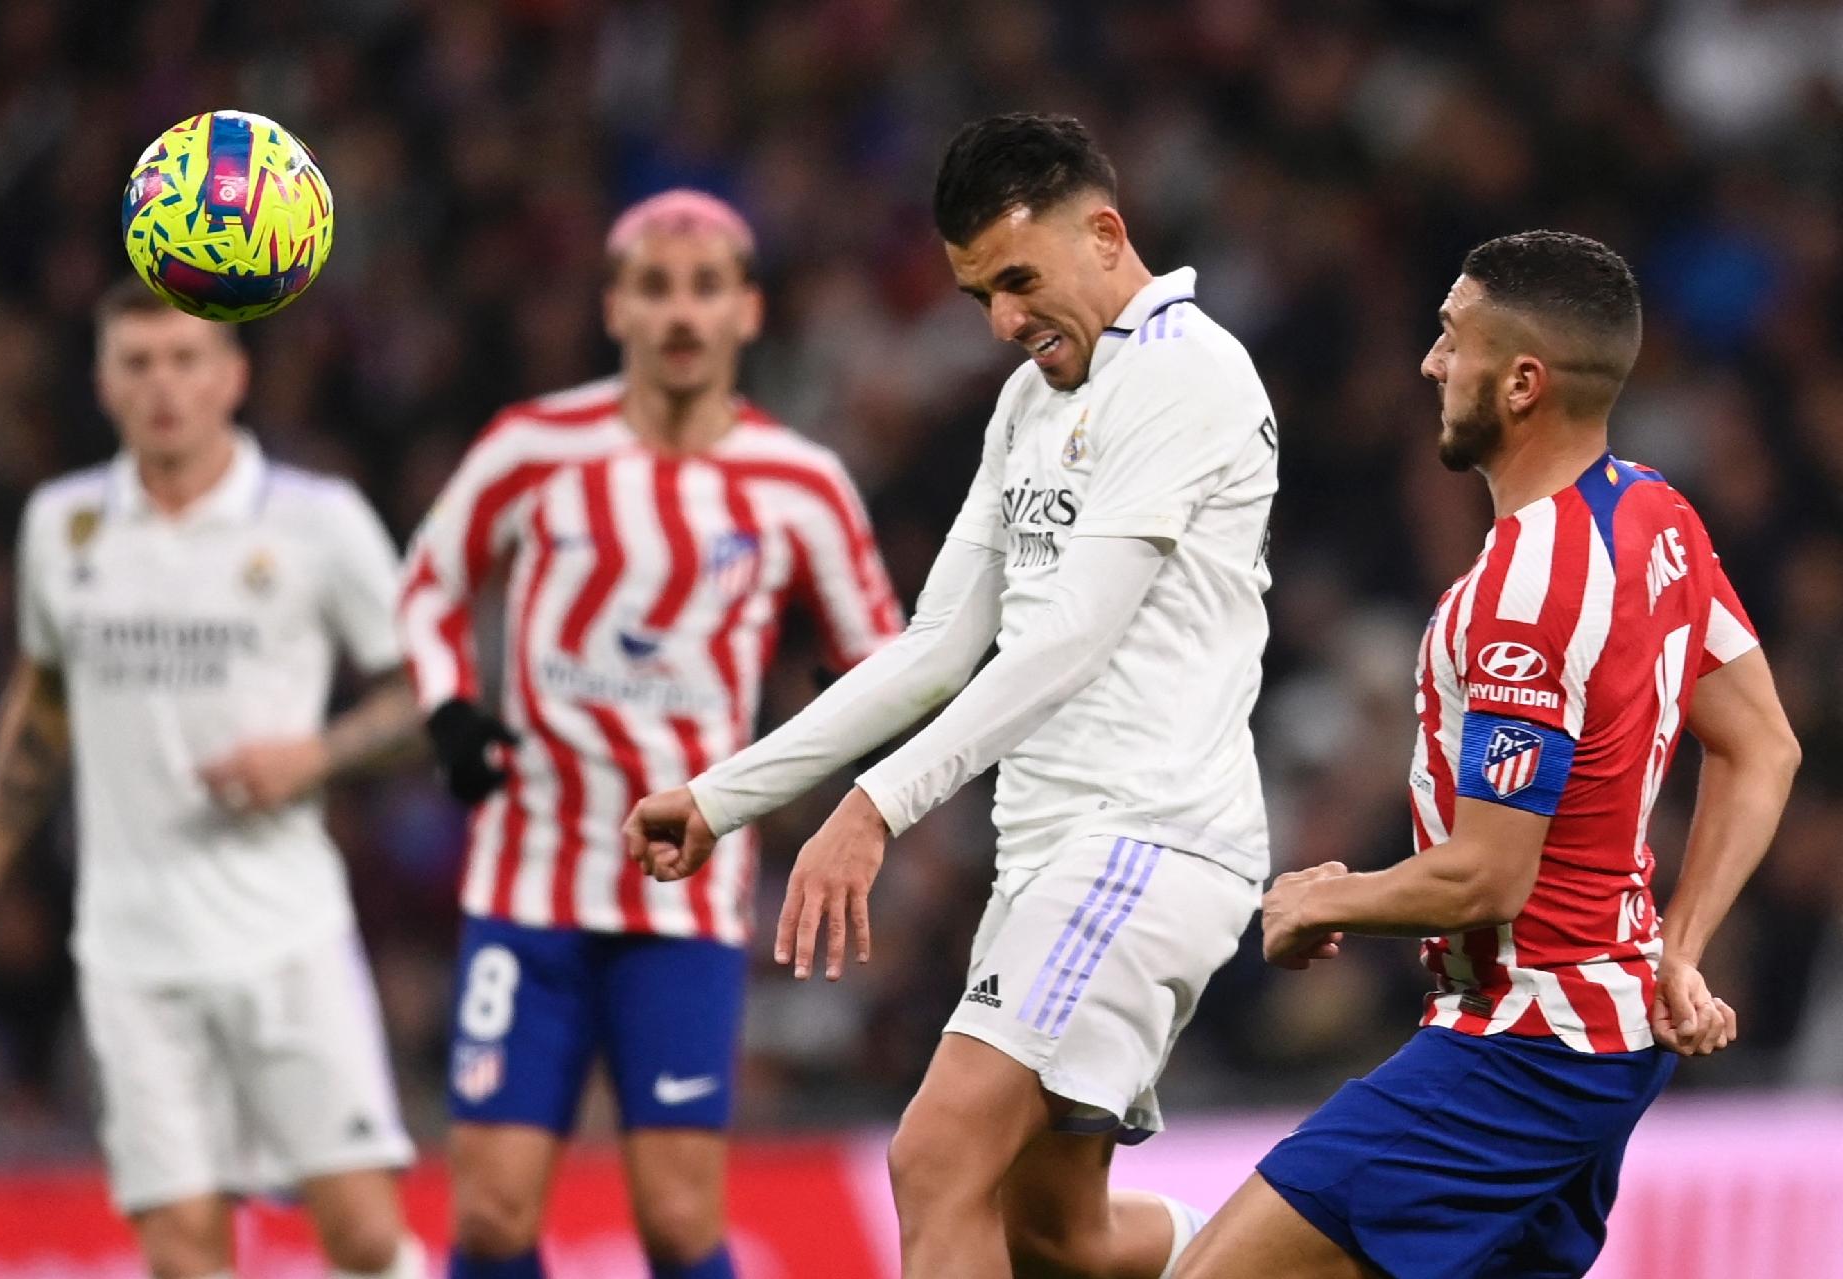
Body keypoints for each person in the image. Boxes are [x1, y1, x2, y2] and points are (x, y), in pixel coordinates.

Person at [626, 114, 1279, 1279]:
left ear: (1106, 234)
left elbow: (1070, 634)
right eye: (981, 293)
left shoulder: (1186, 372)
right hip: (1048, 853)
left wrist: (875, 807)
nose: (1005, 322)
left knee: (933, 1158)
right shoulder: (1031, 403)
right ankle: (1292, 1264)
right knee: (1055, 1234)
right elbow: (936, 647)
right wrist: (723, 797)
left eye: (1021, 280)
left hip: (1147, 835)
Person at [1176, 231, 1803, 1279]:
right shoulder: (1655, 513)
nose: (1430, 364)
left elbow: (1488, 873)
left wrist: (1324, 898)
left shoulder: (1526, 592)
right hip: (1597, 1043)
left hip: (1525, 1047)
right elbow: (1764, 745)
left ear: (1522, 382)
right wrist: (1677, 950)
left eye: (1450, 339)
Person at [398, 189, 901, 1279]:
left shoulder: (801, 484)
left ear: (748, 313)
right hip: (525, 883)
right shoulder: (534, 448)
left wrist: (843, 743)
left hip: (685, 895)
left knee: (679, 1221)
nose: (682, 313)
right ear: (615, 306)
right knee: (488, 1215)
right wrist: (447, 704)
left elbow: (888, 660)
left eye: (707, 288)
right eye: (657, 288)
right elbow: (431, 579)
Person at [0, 279, 426, 1279]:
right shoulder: (63, 527)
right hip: (131, 949)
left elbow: (433, 694)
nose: (163, 386)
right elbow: (45, 698)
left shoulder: (314, 519)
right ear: (105, 382)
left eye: (186, 360)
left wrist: (313, 755)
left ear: (233, 377)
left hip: (285, 933)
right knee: (183, 1252)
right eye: (138, 362)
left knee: (365, 1235)